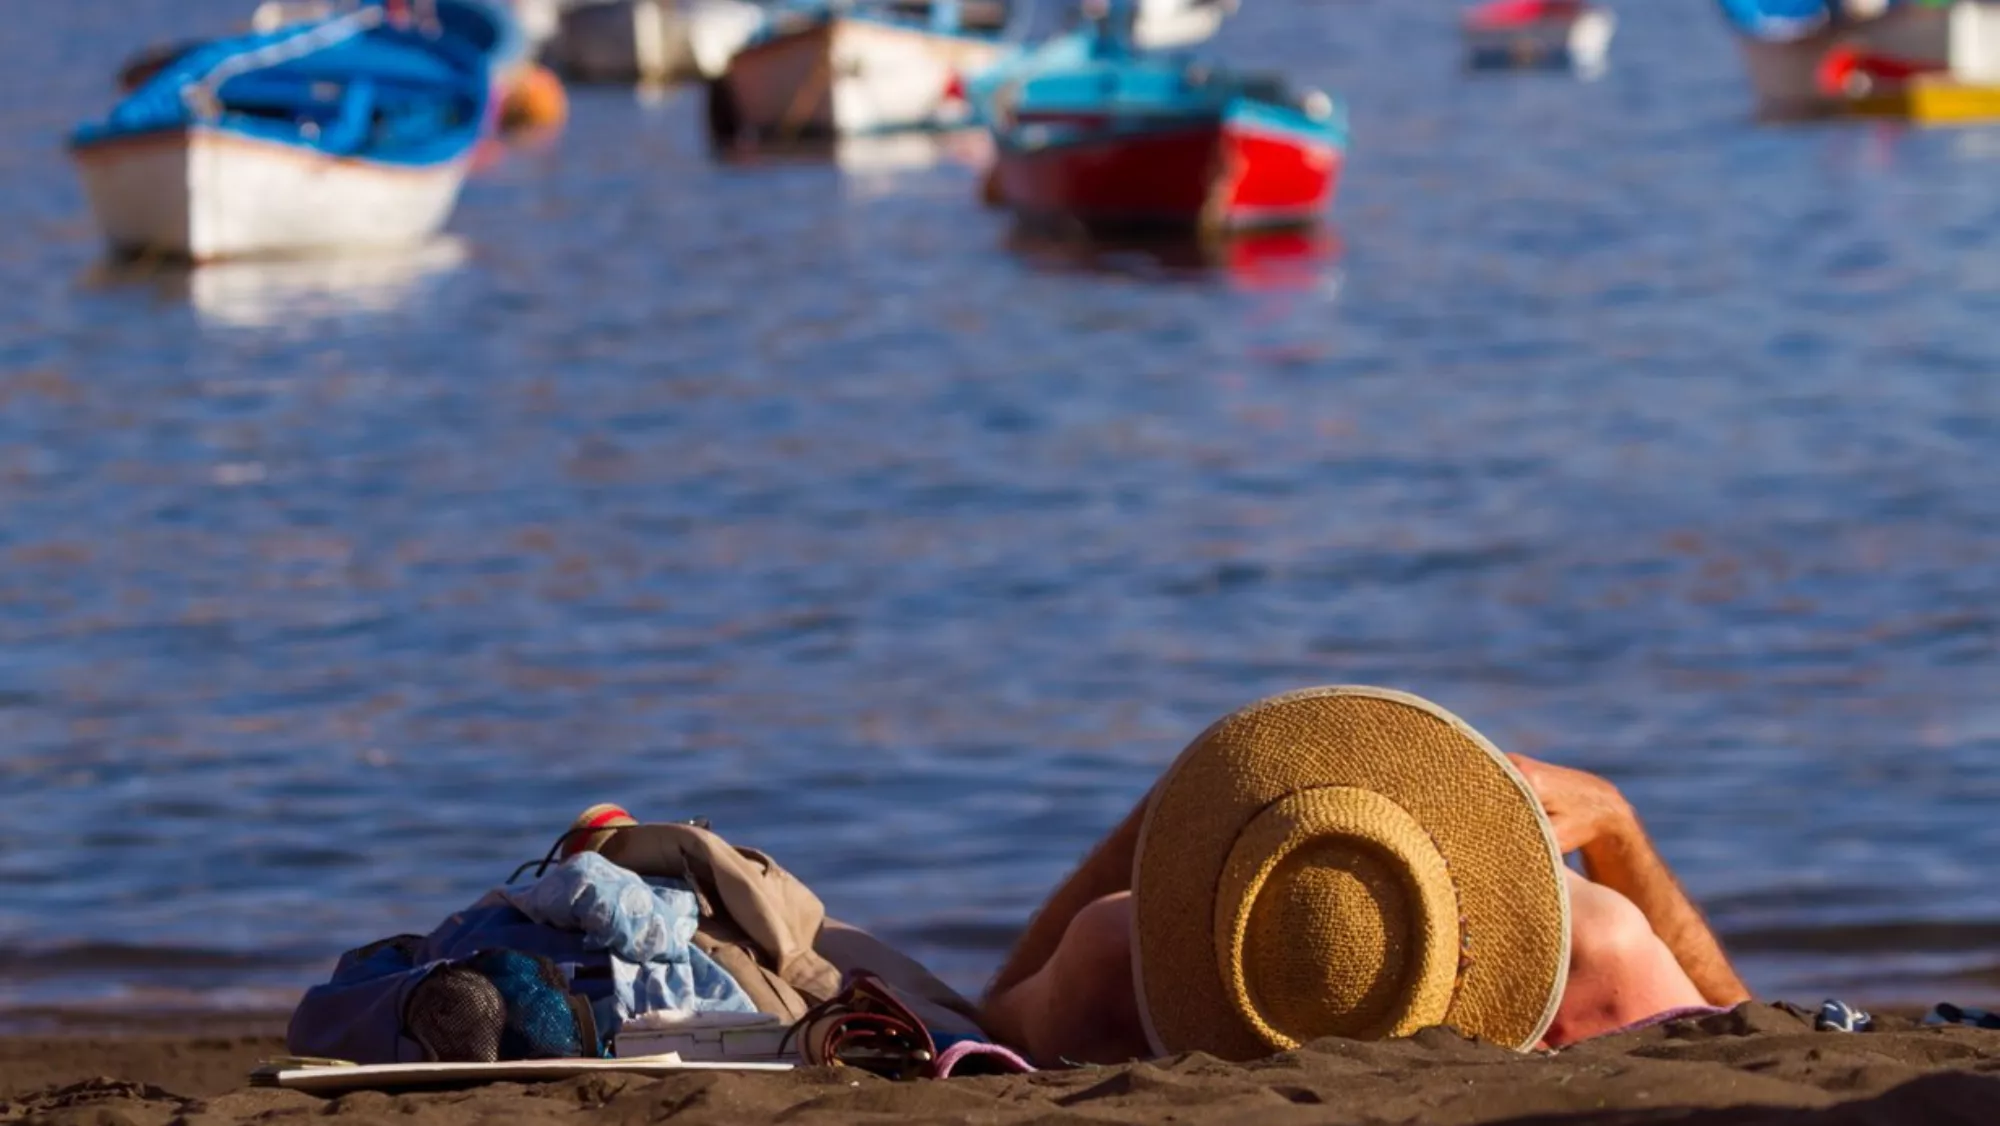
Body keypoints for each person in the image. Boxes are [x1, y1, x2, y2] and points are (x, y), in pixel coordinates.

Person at [979, 686, 1753, 1066]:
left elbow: (988, 1011)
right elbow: (1751, 1023)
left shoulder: (1116, 958)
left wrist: (1156, 824)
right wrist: (1616, 824)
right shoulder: (1593, 951)